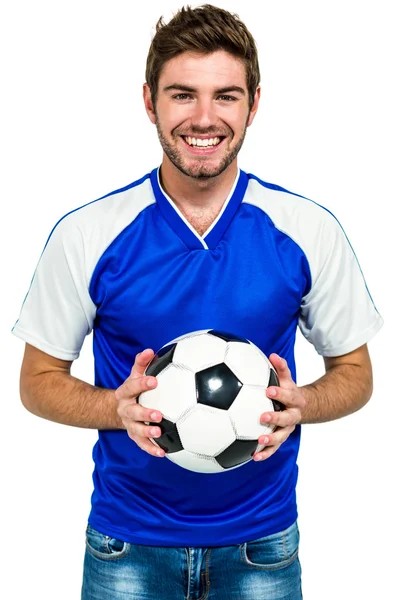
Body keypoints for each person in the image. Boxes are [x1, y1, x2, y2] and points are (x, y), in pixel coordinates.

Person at [12, 4, 383, 599]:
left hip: (261, 547)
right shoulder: (89, 234)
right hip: (126, 546)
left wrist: (304, 402)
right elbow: (37, 381)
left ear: (254, 103)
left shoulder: (306, 230)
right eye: (183, 95)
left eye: (226, 96)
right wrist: (116, 408)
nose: (204, 118)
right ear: (149, 101)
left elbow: (357, 372)